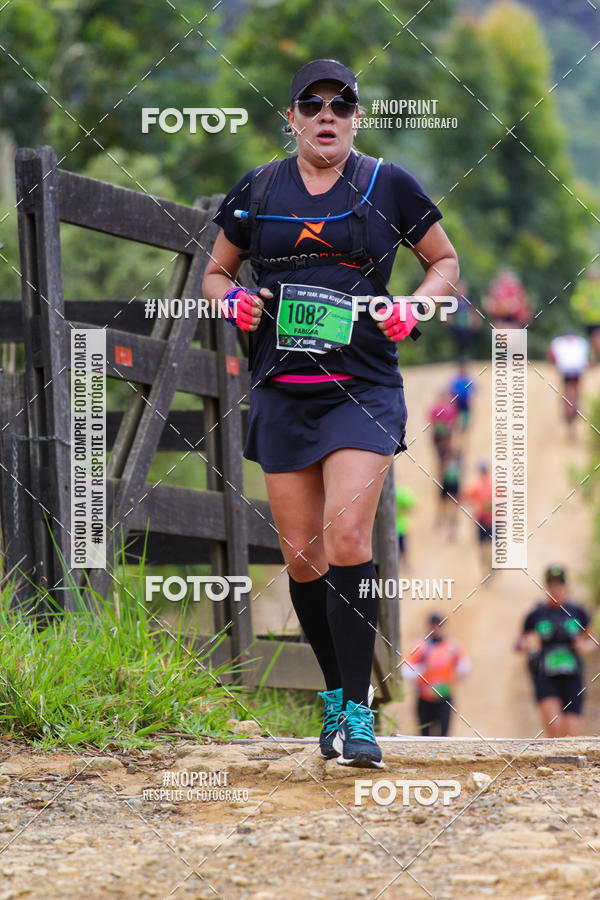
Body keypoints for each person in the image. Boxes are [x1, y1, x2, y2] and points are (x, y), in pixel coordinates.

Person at [203, 59, 459, 769]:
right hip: (283, 388)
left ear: (355, 117)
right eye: (311, 104)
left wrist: (416, 303)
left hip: (363, 387)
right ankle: (333, 690)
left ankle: (359, 710)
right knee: (303, 557)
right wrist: (230, 300)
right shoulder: (258, 188)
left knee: (347, 535)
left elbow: (445, 262)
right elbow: (216, 271)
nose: (327, 115)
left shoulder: (388, 185)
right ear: (290, 117)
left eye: (341, 105)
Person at [515, 565, 596, 737]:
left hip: (572, 676)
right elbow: (519, 643)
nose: (556, 589)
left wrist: (583, 647)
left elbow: (592, 640)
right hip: (546, 676)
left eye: (559, 585)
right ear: (546, 586)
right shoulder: (536, 615)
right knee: (555, 726)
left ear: (566, 586)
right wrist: (528, 644)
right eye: (552, 585)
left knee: (572, 734)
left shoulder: (578, 612)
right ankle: (554, 764)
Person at [402, 613, 471, 736]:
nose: (436, 629)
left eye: (439, 625)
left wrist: (456, 678)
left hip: (445, 697)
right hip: (424, 698)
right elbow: (405, 671)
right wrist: (423, 668)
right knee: (424, 736)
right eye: (433, 625)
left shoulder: (452, 646)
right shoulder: (420, 646)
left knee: (444, 737)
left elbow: (464, 666)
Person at [547, 333, 590, 434]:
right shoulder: (582, 342)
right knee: (577, 389)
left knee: (566, 390)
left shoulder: (557, 342)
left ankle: (567, 411)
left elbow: (552, 357)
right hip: (577, 369)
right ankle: (576, 407)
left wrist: (555, 364)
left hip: (565, 369)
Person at [462, 459, 493, 575]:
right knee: (490, 545)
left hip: (481, 520)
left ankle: (486, 570)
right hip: (494, 520)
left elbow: (465, 497)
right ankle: (491, 567)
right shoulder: (495, 484)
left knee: (482, 547)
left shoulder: (476, 485)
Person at [570, 267, 600, 362]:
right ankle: (593, 359)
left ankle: (593, 360)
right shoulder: (583, 286)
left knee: (596, 339)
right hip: (587, 320)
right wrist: (584, 303)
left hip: (598, 320)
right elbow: (574, 301)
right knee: (592, 341)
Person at [437, 441, 462, 541]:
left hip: (453, 484)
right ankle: (442, 520)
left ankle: (451, 526)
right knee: (444, 505)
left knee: (453, 507)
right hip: (447, 483)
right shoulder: (444, 457)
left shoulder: (457, 458)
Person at [449, 361, 475, 433]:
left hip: (465, 402)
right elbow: (451, 389)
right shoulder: (456, 379)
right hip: (457, 402)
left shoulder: (468, 379)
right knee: (456, 421)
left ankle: (463, 435)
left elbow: (473, 389)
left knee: (465, 422)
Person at [395, 482, 417, 569]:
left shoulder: (396, 493)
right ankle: (404, 564)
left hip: (397, 528)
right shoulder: (401, 493)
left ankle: (400, 564)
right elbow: (412, 507)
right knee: (403, 548)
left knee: (396, 549)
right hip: (401, 527)